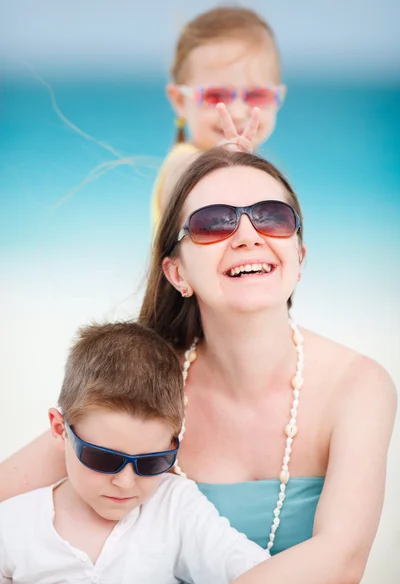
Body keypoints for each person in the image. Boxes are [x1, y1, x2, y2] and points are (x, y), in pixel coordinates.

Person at [0, 148, 397, 583]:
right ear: (176, 273)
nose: (248, 235)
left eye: (272, 216)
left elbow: (342, 562)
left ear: (299, 256)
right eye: (213, 222)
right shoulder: (144, 385)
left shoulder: (359, 386)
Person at [0, 321, 271, 583]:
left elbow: (259, 572)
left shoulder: (174, 507)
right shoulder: (13, 526)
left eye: (152, 463)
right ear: (60, 430)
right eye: (104, 458)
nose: (125, 482)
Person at [151, 5, 286, 230]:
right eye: (215, 95)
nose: (236, 112)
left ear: (277, 98)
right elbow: (188, 181)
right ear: (180, 101)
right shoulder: (181, 162)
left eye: (256, 95)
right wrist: (223, 167)